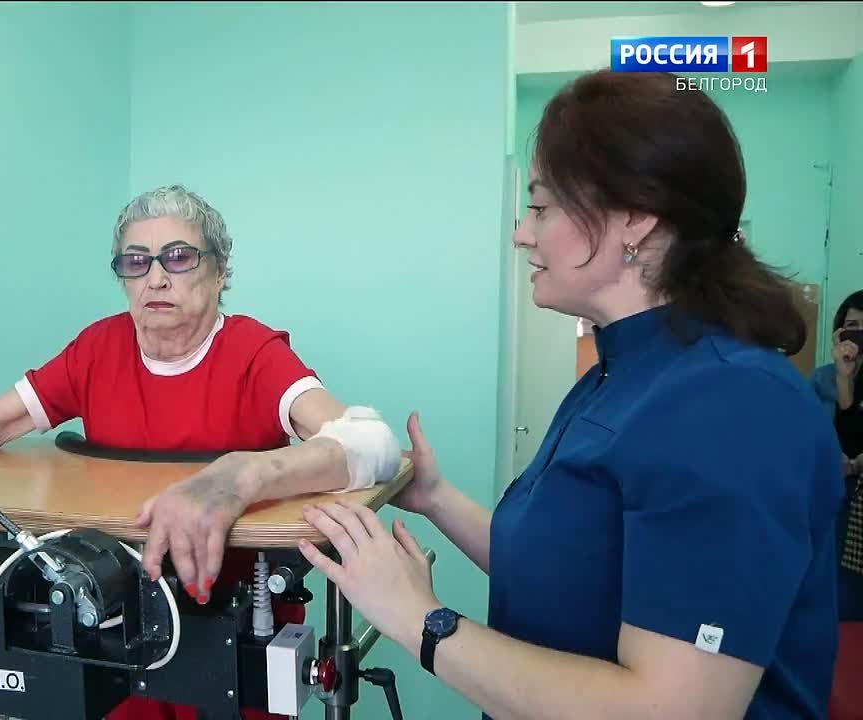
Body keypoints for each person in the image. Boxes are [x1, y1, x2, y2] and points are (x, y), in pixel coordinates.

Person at [297, 69, 843, 719]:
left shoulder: (734, 408)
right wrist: (437, 500)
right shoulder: (613, 379)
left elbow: (668, 710)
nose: (521, 233)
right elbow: (568, 576)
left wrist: (420, 619)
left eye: (541, 207)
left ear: (634, 217)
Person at [0, 184, 402, 720]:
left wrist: (241, 477)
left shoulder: (251, 351)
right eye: (137, 261)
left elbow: (371, 442)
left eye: (179, 257)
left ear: (219, 271)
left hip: (237, 625)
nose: (156, 277)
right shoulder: (99, 348)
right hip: (114, 621)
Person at [811, 290, 863, 620]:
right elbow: (806, 431)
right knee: (832, 579)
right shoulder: (822, 378)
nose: (858, 334)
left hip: (859, 492)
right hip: (832, 488)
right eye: (852, 326)